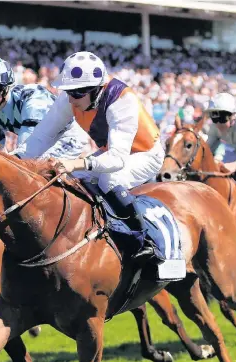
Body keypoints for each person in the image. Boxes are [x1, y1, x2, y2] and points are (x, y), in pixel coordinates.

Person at [16, 52, 166, 260]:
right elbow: (42, 136)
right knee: (73, 182)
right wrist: (16, 160)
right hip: (110, 153)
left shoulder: (122, 100)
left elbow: (117, 160)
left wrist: (75, 163)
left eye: (76, 93)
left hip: (145, 154)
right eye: (68, 91)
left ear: (95, 89)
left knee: (109, 178)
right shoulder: (71, 99)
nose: (70, 99)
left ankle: (145, 241)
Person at [0, 57, 87, 158]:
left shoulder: (32, 99)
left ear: (6, 88)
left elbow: (27, 153)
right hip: (41, 142)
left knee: (34, 171)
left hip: (67, 137)